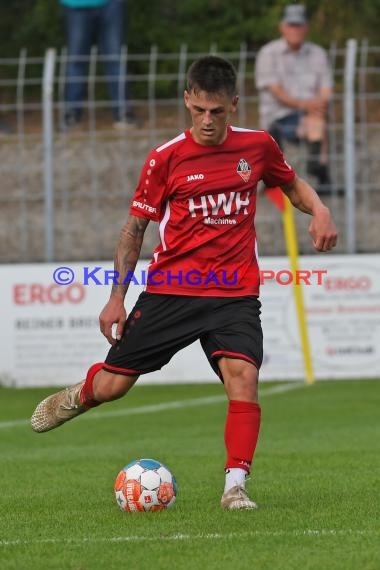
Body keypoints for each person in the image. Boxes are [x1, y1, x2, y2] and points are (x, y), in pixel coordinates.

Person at [31, 56, 337, 510]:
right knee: (114, 387)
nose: (208, 121)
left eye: (217, 111)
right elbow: (133, 230)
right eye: (199, 111)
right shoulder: (165, 158)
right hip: (173, 290)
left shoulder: (258, 147)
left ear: (233, 104)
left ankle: (235, 487)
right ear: (187, 100)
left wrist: (322, 211)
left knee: (244, 378)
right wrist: (116, 298)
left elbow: (292, 185)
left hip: (234, 293)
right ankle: (81, 394)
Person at [255, 4, 333, 191]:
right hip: (278, 115)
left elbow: (326, 88)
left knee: (317, 119)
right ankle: (275, 175)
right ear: (282, 27)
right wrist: (305, 104)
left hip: (309, 114)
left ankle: (318, 169)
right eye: (291, 24)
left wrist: (319, 104)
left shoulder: (318, 54)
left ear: (306, 27)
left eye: (299, 25)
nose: (295, 29)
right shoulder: (268, 53)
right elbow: (276, 91)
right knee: (303, 122)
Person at [59, 0, 136, 130]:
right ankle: (71, 115)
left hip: (112, 4)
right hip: (75, 5)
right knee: (76, 61)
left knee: (115, 60)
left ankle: (123, 113)